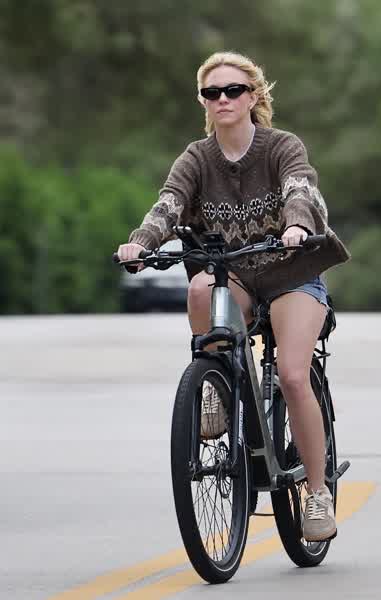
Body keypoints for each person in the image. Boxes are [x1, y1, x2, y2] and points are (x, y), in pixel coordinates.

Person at [117, 51, 350, 542]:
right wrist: (141, 242)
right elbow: (169, 204)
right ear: (203, 101)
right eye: (212, 92)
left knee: (292, 375)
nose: (222, 99)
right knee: (201, 287)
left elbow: (300, 189)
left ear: (253, 97)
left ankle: (317, 493)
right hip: (235, 274)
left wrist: (296, 225)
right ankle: (216, 385)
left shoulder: (281, 146)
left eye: (233, 90)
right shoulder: (197, 157)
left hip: (291, 271)